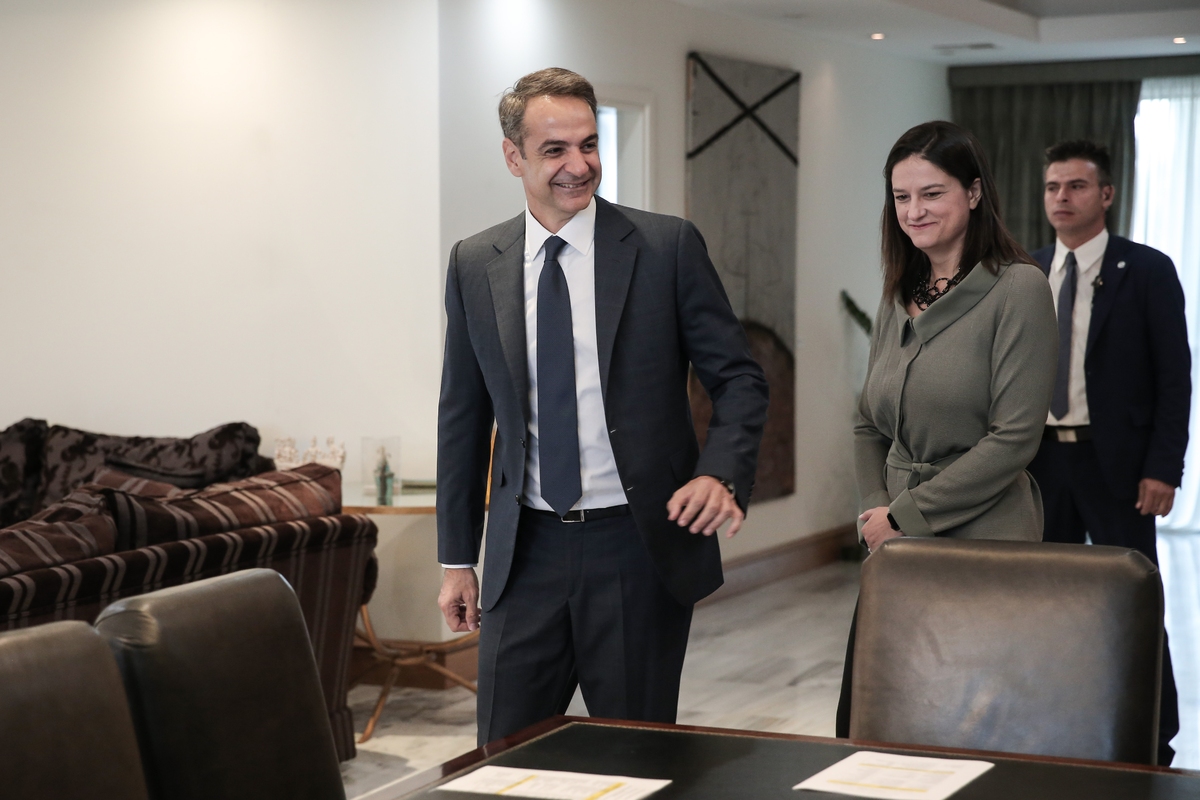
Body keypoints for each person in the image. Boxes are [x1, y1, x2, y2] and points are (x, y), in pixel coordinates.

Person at [435, 68, 769, 746]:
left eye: (588, 145)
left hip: (635, 551)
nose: (579, 164)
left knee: (635, 756)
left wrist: (720, 472)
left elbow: (739, 379)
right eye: (555, 149)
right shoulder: (475, 263)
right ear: (513, 157)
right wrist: (456, 559)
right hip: (523, 555)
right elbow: (463, 418)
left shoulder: (666, 248)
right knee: (504, 759)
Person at [836, 120, 1058, 736]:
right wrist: (875, 512)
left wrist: (905, 516)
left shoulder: (1019, 288)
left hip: (984, 537)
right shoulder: (897, 292)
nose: (914, 211)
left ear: (975, 192)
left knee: (972, 725)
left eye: (932, 193)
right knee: (882, 719)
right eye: (901, 196)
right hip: (895, 543)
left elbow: (1014, 440)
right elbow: (867, 424)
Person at [1027, 139, 1189, 765]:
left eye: (1076, 186)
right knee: (1044, 599)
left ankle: (1155, 735)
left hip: (1116, 465)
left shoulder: (1146, 270)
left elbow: (1175, 379)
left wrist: (1163, 468)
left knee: (1134, 599)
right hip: (1040, 464)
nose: (1062, 198)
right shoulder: (1026, 271)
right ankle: (1054, 721)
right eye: (1052, 187)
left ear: (1106, 194)